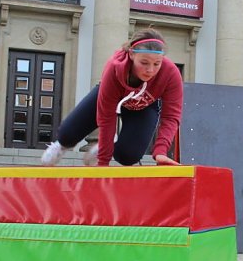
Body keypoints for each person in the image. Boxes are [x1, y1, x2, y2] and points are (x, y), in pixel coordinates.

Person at [41, 28, 183, 167]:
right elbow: (106, 116)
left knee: (128, 156)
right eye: (144, 63)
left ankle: (109, 144)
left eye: (156, 64)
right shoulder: (114, 67)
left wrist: (161, 151)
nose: (150, 70)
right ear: (132, 54)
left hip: (143, 106)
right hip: (112, 96)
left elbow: (171, 116)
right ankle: (60, 146)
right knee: (67, 133)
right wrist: (103, 161)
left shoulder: (171, 73)